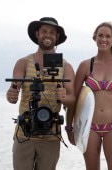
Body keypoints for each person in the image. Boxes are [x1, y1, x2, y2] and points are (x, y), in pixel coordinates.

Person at [6, 17, 75, 170]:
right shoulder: (23, 62)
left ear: (57, 37)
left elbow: (73, 100)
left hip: (51, 136)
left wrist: (64, 98)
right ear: (37, 34)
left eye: (52, 32)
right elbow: (13, 90)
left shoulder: (65, 66)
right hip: (25, 134)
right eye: (44, 31)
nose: (48, 35)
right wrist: (11, 94)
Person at [67, 22, 112, 170]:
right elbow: (74, 99)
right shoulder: (85, 65)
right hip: (90, 127)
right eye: (100, 35)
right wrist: (69, 127)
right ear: (94, 38)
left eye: (108, 36)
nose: (104, 39)